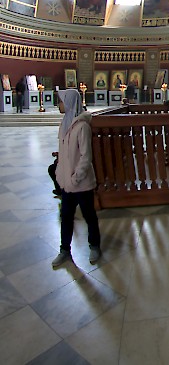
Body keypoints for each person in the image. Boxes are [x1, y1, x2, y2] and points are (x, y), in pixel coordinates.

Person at [51, 89, 101, 267]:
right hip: (67, 183)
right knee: (66, 217)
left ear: (70, 103)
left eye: (61, 101)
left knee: (89, 216)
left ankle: (94, 246)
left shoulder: (82, 126)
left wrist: (75, 178)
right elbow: (63, 154)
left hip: (81, 183)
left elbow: (86, 157)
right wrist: (60, 174)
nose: (59, 104)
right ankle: (64, 250)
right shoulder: (64, 124)